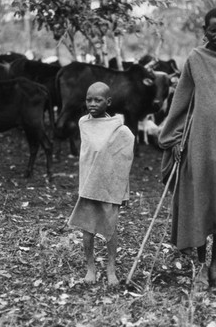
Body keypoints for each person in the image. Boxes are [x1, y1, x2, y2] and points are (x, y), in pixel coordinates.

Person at [158, 8, 216, 290]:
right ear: (204, 30)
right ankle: (199, 267)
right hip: (199, 144)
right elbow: (181, 100)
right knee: (200, 204)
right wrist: (175, 139)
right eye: (214, 30)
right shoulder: (195, 59)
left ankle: (214, 267)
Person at [68, 82, 135, 285]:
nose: (92, 104)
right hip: (88, 183)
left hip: (109, 185)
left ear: (108, 102)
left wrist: (122, 189)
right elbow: (88, 153)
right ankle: (90, 268)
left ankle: (111, 269)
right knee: (87, 228)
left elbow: (123, 156)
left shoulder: (119, 128)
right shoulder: (83, 123)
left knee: (110, 228)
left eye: (98, 100)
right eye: (89, 99)